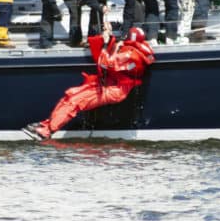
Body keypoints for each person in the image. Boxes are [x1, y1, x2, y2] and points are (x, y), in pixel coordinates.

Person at [23, 25, 155, 140]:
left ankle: (47, 132)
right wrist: (109, 37)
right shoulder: (132, 52)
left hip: (114, 89)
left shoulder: (132, 55)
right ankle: (48, 124)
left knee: (76, 101)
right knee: (71, 96)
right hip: (109, 84)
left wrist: (105, 43)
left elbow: (106, 63)